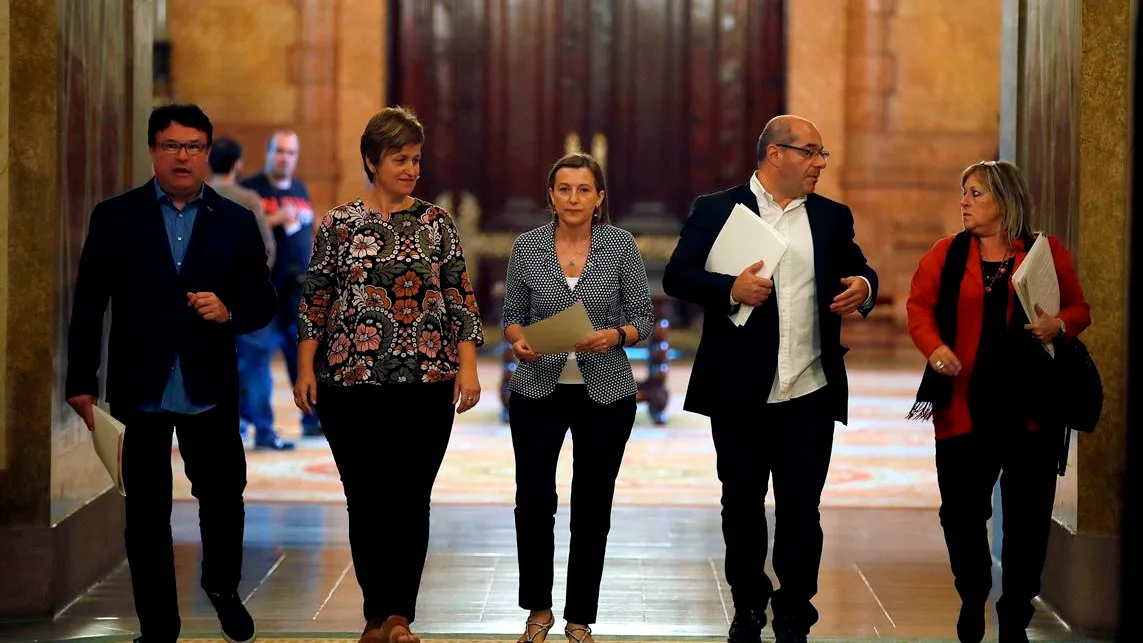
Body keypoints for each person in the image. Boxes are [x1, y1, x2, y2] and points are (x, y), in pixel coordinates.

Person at [662, 115, 878, 643]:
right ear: (775, 154)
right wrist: (730, 288)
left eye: (822, 154)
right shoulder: (717, 209)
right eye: (812, 152)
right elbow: (678, 275)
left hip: (808, 386)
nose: (821, 163)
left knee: (803, 506)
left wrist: (863, 287)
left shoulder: (831, 217)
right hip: (739, 390)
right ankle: (748, 604)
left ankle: (795, 608)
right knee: (740, 501)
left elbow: (859, 269)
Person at [65, 103, 276, 643]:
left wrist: (229, 310)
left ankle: (223, 586)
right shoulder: (115, 217)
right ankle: (158, 626)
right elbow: (89, 302)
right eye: (171, 145)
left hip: (209, 385)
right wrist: (81, 380)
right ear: (153, 150)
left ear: (207, 153)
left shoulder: (234, 221)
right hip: (141, 387)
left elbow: (263, 302)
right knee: (147, 515)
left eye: (194, 147)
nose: (182, 156)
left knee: (225, 497)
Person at [293, 106, 484, 643]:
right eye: (400, 159)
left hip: (426, 382)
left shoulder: (435, 223)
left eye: (416, 160)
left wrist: (467, 368)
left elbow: (461, 299)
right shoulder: (338, 224)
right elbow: (316, 301)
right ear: (371, 161)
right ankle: (376, 614)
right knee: (366, 498)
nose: (411, 169)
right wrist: (305, 368)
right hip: (348, 382)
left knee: (410, 497)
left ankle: (399, 614)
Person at [905, 160, 1091, 643]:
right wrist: (935, 348)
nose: (964, 202)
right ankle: (973, 593)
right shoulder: (945, 255)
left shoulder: (1044, 255)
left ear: (1004, 202)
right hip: (963, 407)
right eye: (963, 192)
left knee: (1028, 521)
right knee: (961, 514)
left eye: (975, 194)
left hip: (1031, 411)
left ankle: (1014, 614)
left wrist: (1060, 325)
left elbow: (1078, 308)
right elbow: (919, 308)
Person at [501, 153, 654, 643]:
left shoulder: (620, 245)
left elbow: (644, 321)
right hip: (536, 390)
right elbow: (511, 315)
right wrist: (517, 339)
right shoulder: (526, 247)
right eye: (564, 189)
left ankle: (579, 617)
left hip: (605, 393)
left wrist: (613, 336)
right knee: (533, 502)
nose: (573, 198)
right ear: (550, 196)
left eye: (583, 189)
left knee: (592, 506)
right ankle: (538, 610)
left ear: (599, 197)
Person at [208, 137, 294, 450]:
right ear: (238, 164)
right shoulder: (248, 199)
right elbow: (266, 249)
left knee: (213, 365)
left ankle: (224, 428)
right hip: (243, 300)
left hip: (202, 300)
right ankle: (265, 430)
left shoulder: (196, 197)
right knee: (257, 364)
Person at [242, 130, 322, 437]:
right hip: (266, 288)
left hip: (298, 289)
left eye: (290, 153)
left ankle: (312, 419)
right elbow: (241, 229)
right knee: (257, 357)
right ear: (268, 152)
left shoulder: (300, 189)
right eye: (279, 151)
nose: (284, 158)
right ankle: (257, 424)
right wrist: (274, 220)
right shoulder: (252, 189)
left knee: (303, 356)